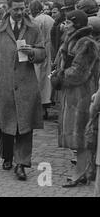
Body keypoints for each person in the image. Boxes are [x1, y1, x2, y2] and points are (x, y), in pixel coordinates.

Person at [0, 0, 45, 181]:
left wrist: (32, 52)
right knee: (4, 123)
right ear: (8, 8)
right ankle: (7, 156)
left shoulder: (33, 28)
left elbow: (43, 53)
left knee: (24, 126)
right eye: (15, 9)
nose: (19, 12)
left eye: (22, 8)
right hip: (3, 84)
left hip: (26, 85)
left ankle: (22, 164)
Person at [53, 10, 100, 187]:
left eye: (67, 22)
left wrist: (60, 77)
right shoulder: (74, 40)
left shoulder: (86, 44)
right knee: (79, 136)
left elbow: (79, 73)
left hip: (82, 96)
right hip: (73, 96)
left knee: (81, 136)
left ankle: (81, 173)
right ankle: (82, 171)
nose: (64, 25)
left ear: (76, 24)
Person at [30, 0, 55, 118]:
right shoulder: (50, 19)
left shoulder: (35, 21)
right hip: (50, 51)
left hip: (39, 51)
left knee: (38, 79)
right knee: (47, 80)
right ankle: (46, 105)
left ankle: (40, 108)